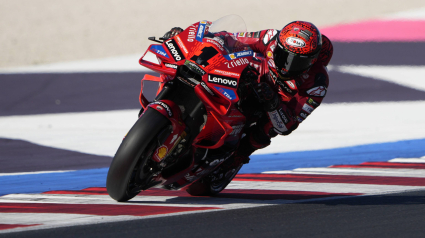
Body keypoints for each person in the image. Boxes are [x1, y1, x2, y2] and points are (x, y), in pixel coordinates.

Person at [162, 21, 334, 174]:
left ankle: (237, 156)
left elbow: (288, 125)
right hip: (248, 76)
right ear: (279, 45)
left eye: (297, 61)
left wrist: (273, 103)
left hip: (271, 104)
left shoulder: (317, 84)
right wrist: (185, 38)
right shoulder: (269, 37)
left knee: (267, 129)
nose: (288, 66)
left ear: (312, 61)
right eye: (285, 56)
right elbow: (229, 38)